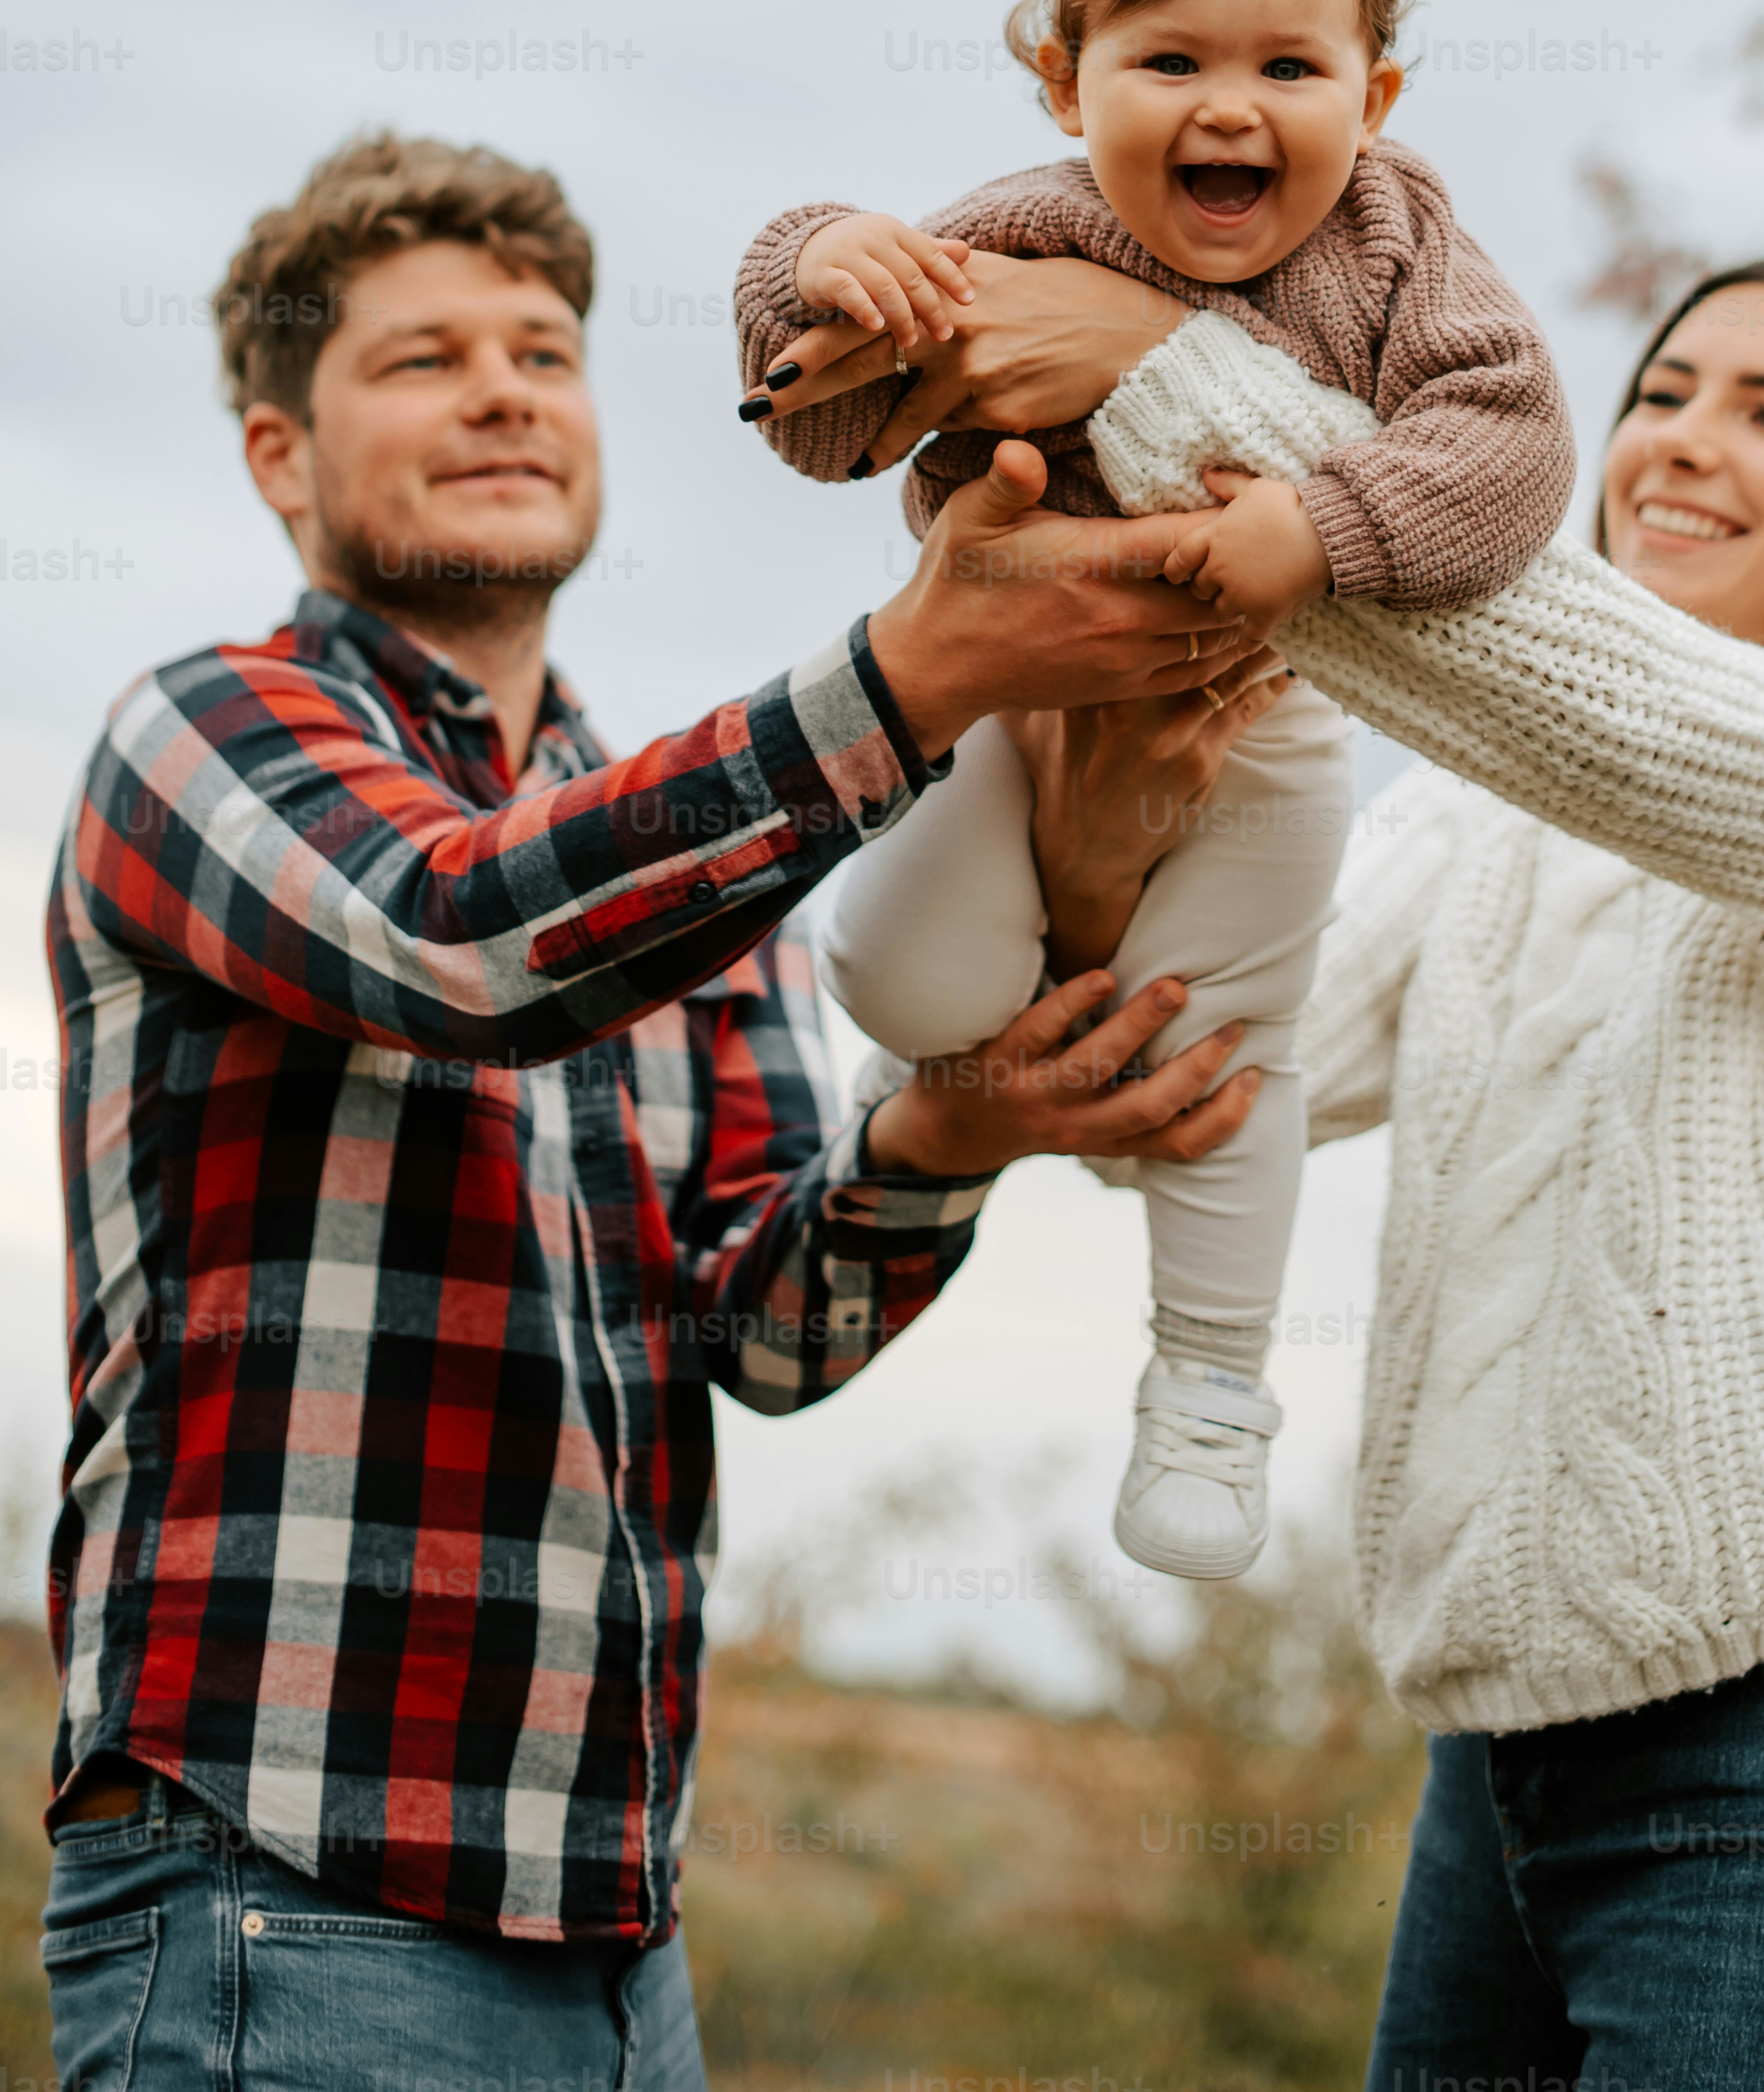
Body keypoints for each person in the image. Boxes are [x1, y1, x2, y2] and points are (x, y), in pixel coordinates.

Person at [755, 245, 1764, 2079]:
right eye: (1664, 393)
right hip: (1494, 1768)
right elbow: (1199, 1088)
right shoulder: (1479, 831)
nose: (1679, 445)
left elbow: (1573, 681)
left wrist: (1169, 366)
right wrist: (1091, 849)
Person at [40, 129, 1277, 2092]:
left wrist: (946, 1138)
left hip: (620, 1934)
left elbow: (757, 1331)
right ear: (281, 457)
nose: (504, 387)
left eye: (541, 348)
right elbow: (464, 938)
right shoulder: (196, 733)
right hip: (282, 1881)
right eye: (420, 357)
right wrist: (925, 667)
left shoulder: (702, 849)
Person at [732, 0, 1574, 1579]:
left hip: (1259, 726)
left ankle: (1209, 1386)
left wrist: (1324, 524)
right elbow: (818, 424)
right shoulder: (1023, 232)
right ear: (1064, 80)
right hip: (1010, 702)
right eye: (1167, 58)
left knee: (1224, 1060)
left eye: (1290, 63)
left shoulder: (1406, 248)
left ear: (1379, 88)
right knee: (901, 969)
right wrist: (818, 258)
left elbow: (1511, 454)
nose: (1229, 108)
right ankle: (994, 1026)